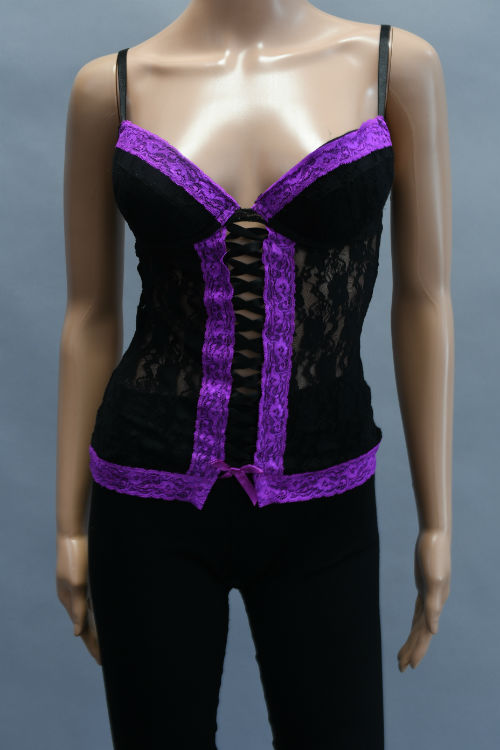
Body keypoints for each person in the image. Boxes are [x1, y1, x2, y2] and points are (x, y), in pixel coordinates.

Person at [56, 4, 453, 749]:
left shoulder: (394, 67)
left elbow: (425, 299)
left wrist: (438, 522)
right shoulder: (109, 87)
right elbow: (89, 316)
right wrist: (69, 525)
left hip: (324, 492)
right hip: (146, 493)